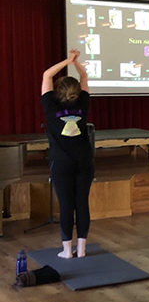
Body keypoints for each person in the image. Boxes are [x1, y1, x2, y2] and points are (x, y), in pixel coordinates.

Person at [40, 49, 94, 259]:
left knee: (66, 205)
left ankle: (66, 250)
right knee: (82, 203)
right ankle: (81, 249)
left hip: (61, 161)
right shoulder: (83, 103)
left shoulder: (50, 105)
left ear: (56, 91)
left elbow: (46, 75)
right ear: (78, 91)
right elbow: (85, 77)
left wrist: (67, 61)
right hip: (84, 160)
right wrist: (77, 63)